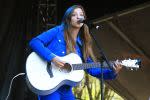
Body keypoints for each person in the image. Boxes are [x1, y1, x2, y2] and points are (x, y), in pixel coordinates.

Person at [29, 5, 122, 100]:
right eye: (74, 15)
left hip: (66, 89)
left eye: (81, 15)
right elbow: (34, 42)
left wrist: (112, 71)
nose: (79, 17)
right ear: (68, 19)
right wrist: (52, 58)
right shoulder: (57, 31)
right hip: (48, 83)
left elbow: (91, 68)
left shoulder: (81, 44)